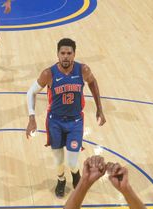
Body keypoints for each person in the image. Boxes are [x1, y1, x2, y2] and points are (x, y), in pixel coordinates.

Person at [25, 38, 106, 199]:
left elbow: (93, 82)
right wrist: (32, 117)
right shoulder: (49, 73)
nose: (66, 56)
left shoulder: (83, 70)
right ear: (57, 54)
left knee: (72, 161)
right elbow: (30, 92)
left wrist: (99, 109)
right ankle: (61, 180)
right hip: (55, 121)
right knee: (58, 160)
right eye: (63, 53)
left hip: (75, 121)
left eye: (69, 53)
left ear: (74, 54)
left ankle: (75, 174)